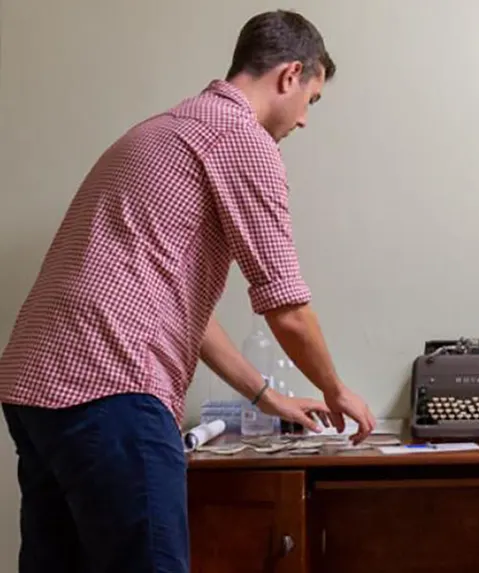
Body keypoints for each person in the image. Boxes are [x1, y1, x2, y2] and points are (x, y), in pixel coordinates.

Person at [0, 9, 374, 573]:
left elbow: (180, 315)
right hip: (110, 388)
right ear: (291, 75)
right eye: (311, 102)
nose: (304, 122)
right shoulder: (241, 140)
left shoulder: (166, 128)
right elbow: (286, 306)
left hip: (37, 389)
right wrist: (337, 389)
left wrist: (268, 398)